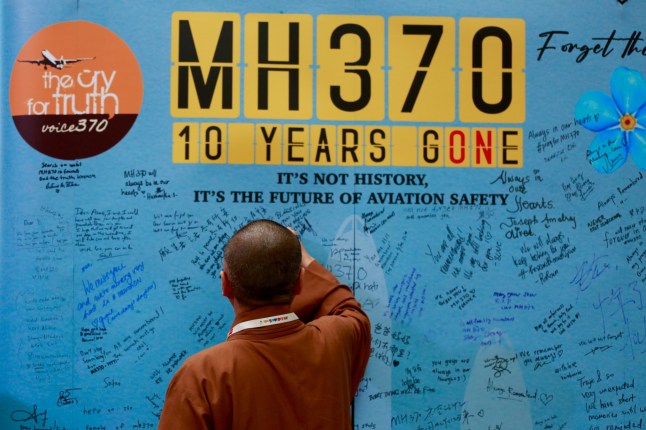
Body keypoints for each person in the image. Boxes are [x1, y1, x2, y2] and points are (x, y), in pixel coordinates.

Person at [158, 219, 371, 430]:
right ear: (300, 282)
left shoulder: (201, 376)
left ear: (225, 285)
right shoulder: (335, 341)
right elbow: (349, 309)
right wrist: (305, 261)